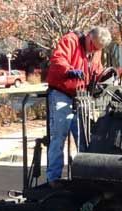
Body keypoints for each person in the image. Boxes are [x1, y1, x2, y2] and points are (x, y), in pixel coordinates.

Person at [46, 26, 112, 187]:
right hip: (62, 93)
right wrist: (69, 70)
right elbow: (58, 59)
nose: (94, 51)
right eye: (93, 47)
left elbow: (96, 69)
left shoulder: (96, 50)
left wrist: (107, 75)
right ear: (89, 37)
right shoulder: (70, 40)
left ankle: (84, 175)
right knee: (59, 136)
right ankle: (53, 178)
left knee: (84, 136)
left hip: (81, 95)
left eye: (97, 49)